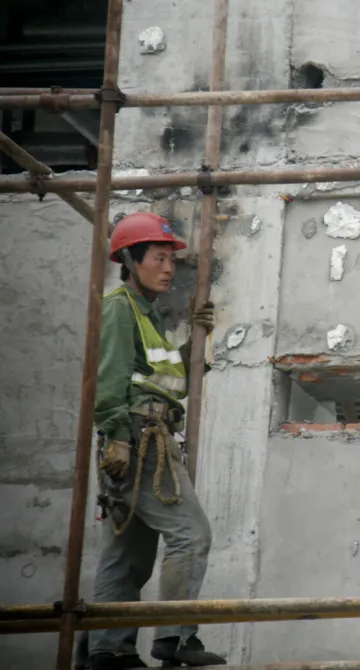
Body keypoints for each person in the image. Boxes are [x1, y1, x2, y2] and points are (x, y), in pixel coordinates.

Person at [87, 212, 226, 669]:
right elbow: (108, 378)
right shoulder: (119, 307)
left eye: (172, 261)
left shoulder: (150, 316)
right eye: (159, 259)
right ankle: (175, 636)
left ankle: (108, 649)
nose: (169, 269)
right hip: (139, 438)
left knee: (129, 553)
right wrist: (117, 437)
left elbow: (171, 381)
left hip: (146, 434)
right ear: (130, 260)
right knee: (191, 535)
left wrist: (197, 341)